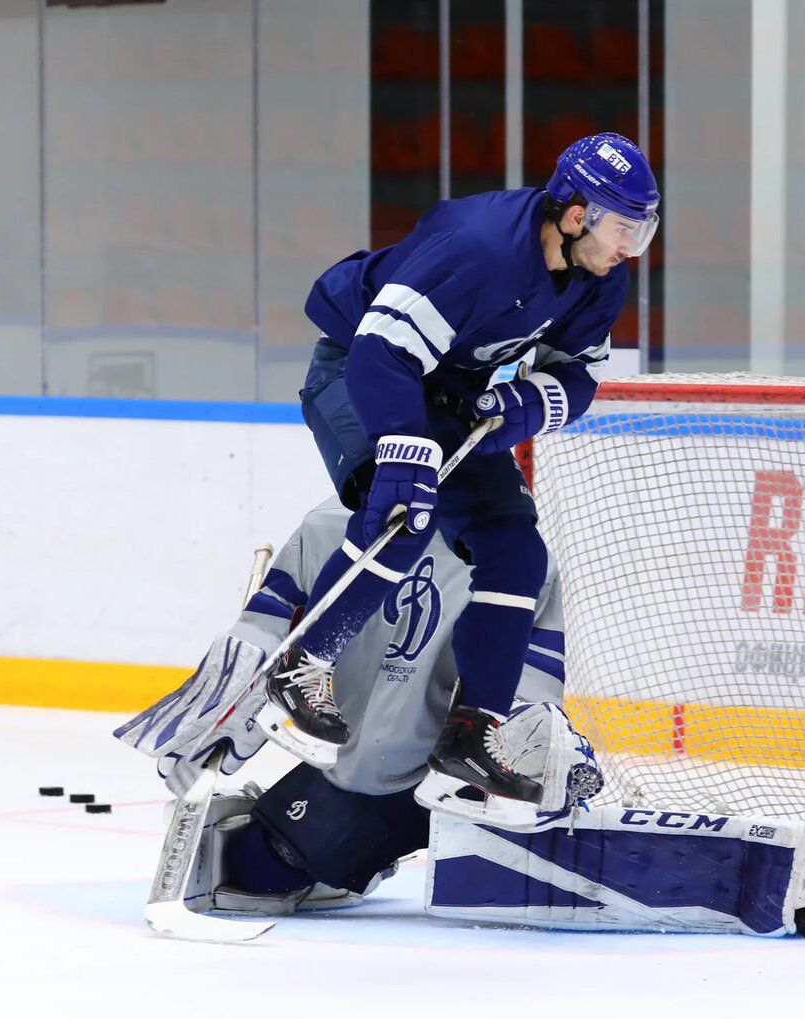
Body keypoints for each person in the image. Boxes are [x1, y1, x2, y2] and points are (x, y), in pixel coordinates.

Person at [268, 132, 660, 807]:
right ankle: (303, 662)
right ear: (574, 215)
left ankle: (474, 729)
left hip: (448, 386)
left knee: (514, 550)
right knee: (403, 512)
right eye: (623, 226)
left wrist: (525, 407)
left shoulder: (601, 274)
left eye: (642, 229)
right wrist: (403, 446)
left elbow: (580, 373)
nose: (631, 246)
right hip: (360, 368)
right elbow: (379, 352)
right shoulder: (478, 246)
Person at [115, 495, 601, 913]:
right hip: (353, 769)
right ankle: (331, 848)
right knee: (257, 873)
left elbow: (531, 692)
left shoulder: (518, 557)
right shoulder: (329, 524)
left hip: (454, 777)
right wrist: (219, 714)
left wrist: (541, 756)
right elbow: (264, 632)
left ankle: (353, 844)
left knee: (525, 872)